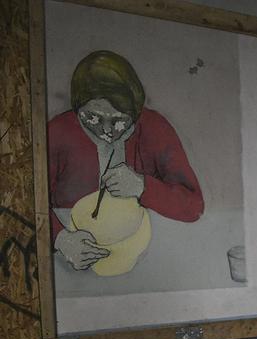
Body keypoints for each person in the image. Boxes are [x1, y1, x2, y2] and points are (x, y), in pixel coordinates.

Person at [48, 50, 204, 271]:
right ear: (77, 109)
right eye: (92, 118)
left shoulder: (153, 128)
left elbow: (193, 206)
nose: (106, 131)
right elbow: (27, 204)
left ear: (136, 112)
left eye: (119, 121)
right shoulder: (57, 132)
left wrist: (143, 186)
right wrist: (61, 239)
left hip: (142, 254)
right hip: (71, 260)